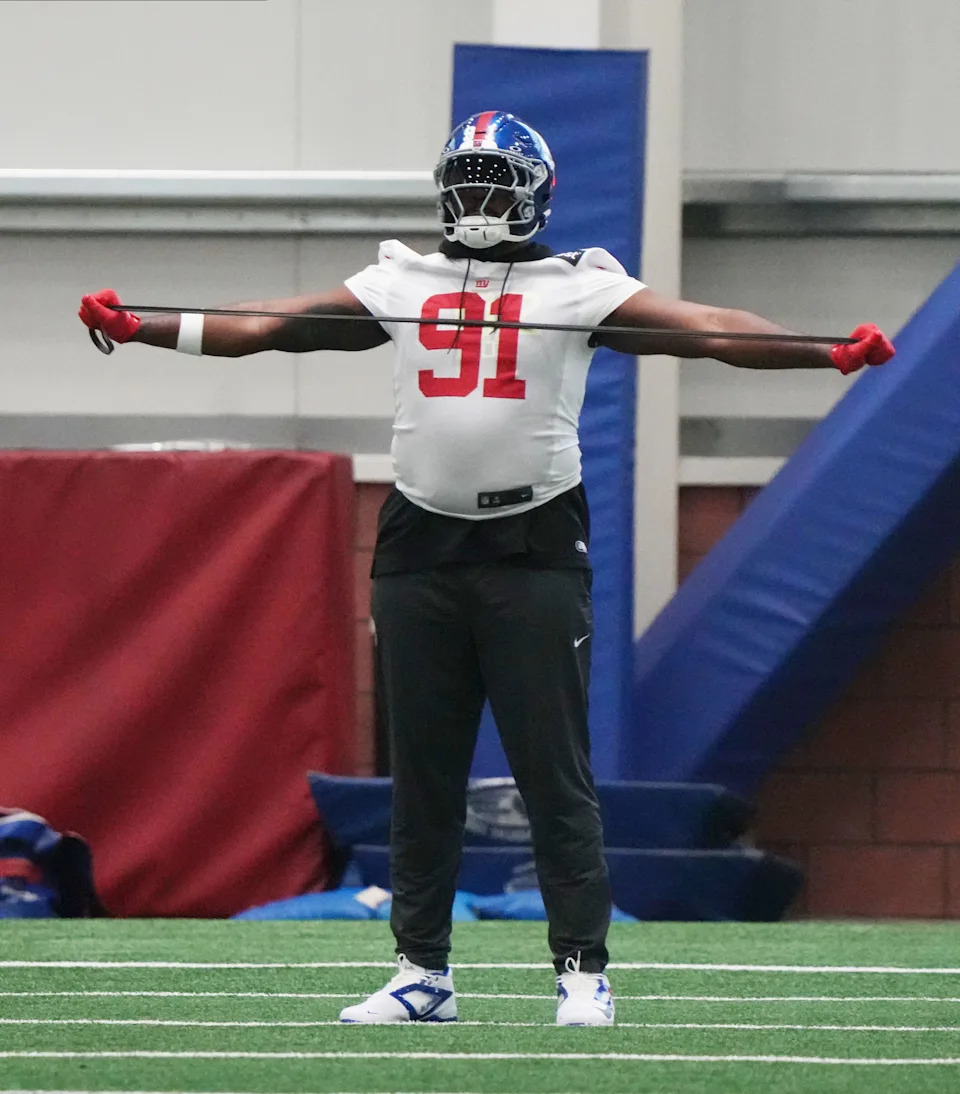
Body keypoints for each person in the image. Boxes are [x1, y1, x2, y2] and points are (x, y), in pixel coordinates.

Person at [79, 110, 895, 1027]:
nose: (477, 199)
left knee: (554, 770)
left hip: (534, 543)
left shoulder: (576, 286)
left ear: (537, 193)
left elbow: (702, 327)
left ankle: (582, 972)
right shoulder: (402, 279)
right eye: (465, 180)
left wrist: (819, 351)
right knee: (423, 774)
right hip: (419, 541)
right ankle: (422, 972)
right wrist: (144, 325)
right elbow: (276, 323)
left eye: (495, 182)